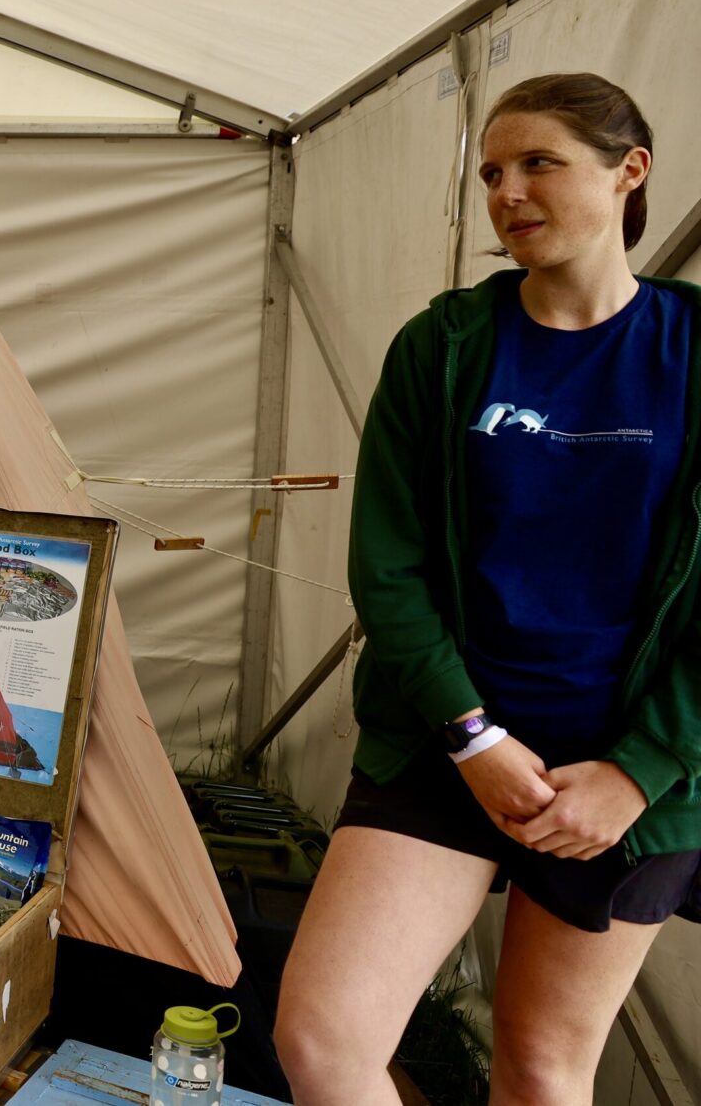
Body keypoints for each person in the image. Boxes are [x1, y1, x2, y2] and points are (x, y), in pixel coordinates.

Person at [277, 74, 701, 1105]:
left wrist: (641, 769)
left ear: (627, 171)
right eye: (490, 174)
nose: (505, 192)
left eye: (537, 164)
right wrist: (469, 735)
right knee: (322, 1042)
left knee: (542, 1069)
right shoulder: (445, 347)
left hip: (623, 774)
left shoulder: (689, 351)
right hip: (446, 742)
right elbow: (386, 566)